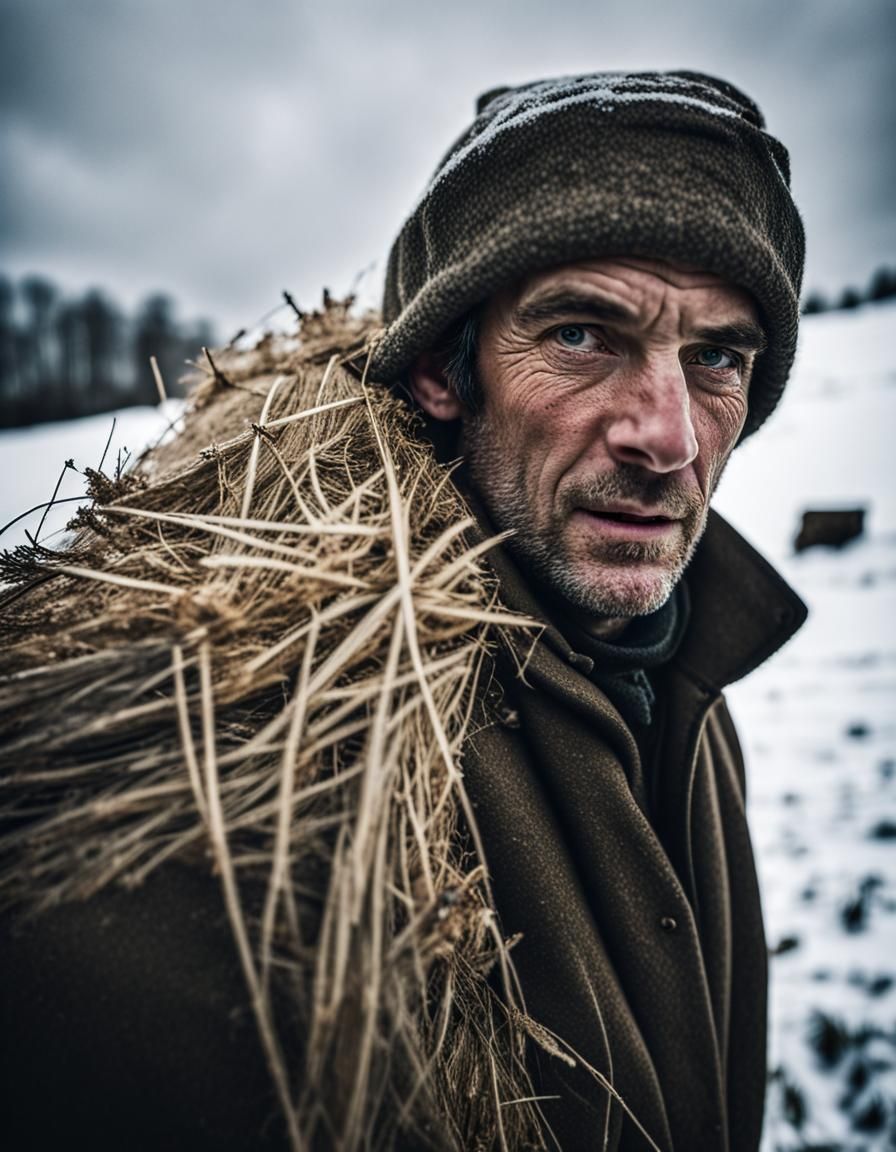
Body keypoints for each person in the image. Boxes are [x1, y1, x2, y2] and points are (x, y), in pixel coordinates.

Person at [0, 71, 806, 1151]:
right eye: (580, 335)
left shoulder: (688, 659)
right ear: (439, 368)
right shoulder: (286, 745)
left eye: (715, 356)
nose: (666, 435)